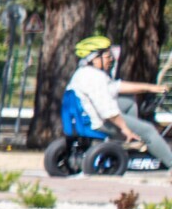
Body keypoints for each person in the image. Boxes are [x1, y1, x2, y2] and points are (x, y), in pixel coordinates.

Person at [68, 35, 172, 168]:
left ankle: (125, 141)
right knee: (148, 130)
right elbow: (108, 111)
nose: (111, 59)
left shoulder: (84, 73)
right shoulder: (95, 78)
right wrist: (125, 129)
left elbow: (117, 87)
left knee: (128, 101)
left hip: (86, 118)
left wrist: (150, 88)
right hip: (99, 122)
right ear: (94, 58)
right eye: (107, 56)